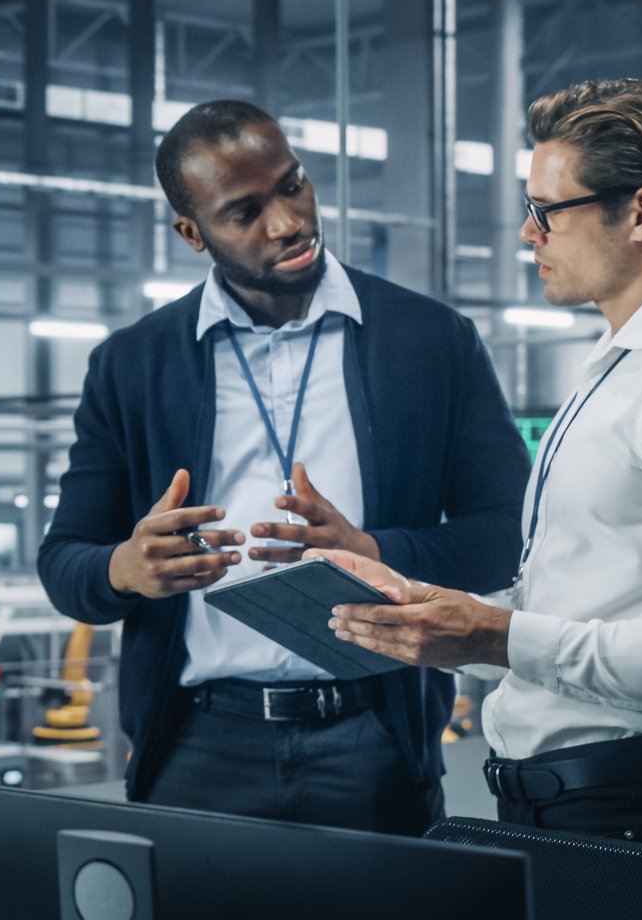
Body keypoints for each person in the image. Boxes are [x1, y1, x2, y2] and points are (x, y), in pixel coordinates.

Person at [319, 78, 642, 855]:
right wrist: (441, 613)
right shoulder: (621, 364)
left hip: (629, 812)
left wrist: (497, 637)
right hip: (560, 806)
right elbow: (582, 590)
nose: (526, 232)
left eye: (548, 210)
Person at [37, 99, 530, 835]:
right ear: (191, 234)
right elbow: (64, 563)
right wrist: (124, 571)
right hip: (198, 745)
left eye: (293, 185)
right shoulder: (132, 365)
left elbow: (510, 532)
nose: (288, 222)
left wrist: (379, 554)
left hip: (376, 738)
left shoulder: (430, 342)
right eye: (244, 212)